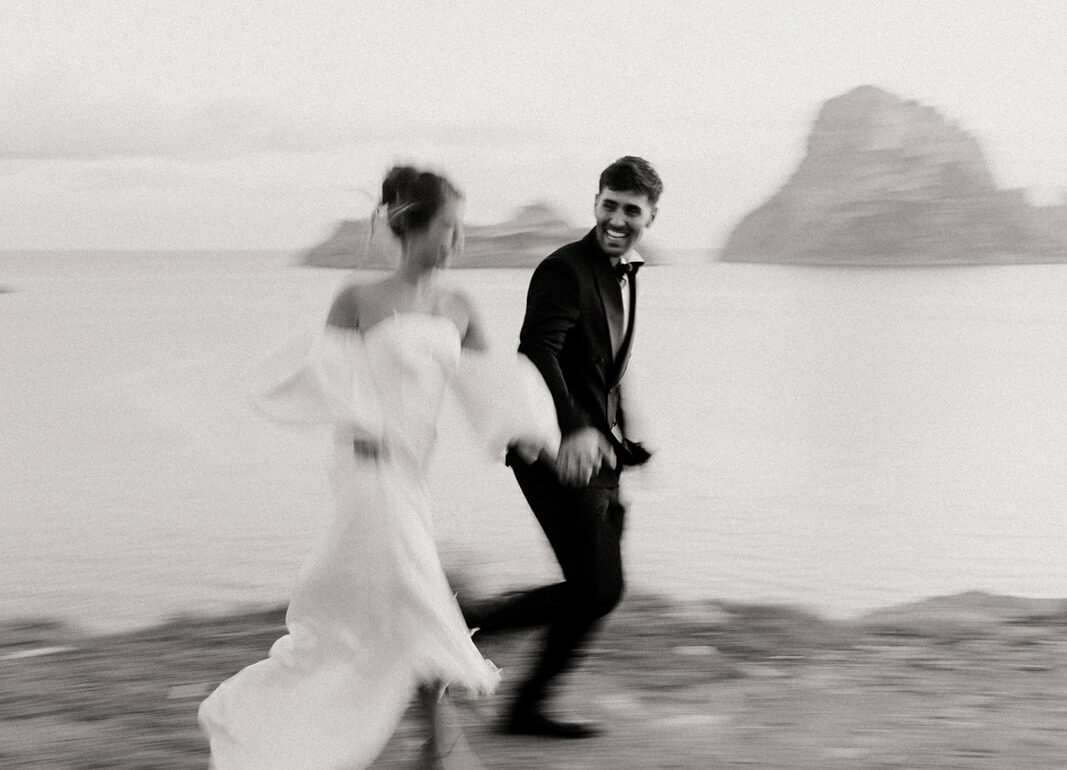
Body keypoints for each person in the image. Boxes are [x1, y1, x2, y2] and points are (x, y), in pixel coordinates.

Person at [198, 166, 559, 770]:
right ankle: (442, 747)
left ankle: (424, 743)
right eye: (448, 227)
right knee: (418, 599)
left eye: (461, 227)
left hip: (412, 479)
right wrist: (363, 426)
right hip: (368, 478)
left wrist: (538, 437)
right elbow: (328, 380)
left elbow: (491, 390)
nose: (459, 240)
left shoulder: (459, 306)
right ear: (412, 226)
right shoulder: (358, 298)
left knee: (400, 609)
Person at [464, 156, 662, 739]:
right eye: (609, 204)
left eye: (631, 210)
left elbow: (608, 366)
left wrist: (629, 434)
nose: (618, 219)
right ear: (595, 202)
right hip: (551, 452)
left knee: (598, 592)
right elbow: (538, 349)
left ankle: (524, 704)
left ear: (650, 216)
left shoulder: (621, 274)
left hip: (601, 453)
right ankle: (458, 626)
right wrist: (575, 428)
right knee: (596, 589)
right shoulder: (564, 269)